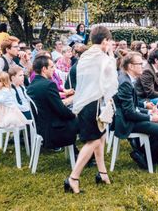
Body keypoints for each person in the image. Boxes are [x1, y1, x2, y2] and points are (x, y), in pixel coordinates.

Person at [66, 25, 118, 194]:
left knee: (100, 138)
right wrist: (110, 54)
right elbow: (111, 77)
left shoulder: (86, 55)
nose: (110, 44)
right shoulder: (100, 56)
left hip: (85, 102)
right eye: (109, 42)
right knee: (94, 140)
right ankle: (73, 178)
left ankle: (102, 173)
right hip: (93, 103)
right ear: (104, 41)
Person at [115, 52, 158, 169]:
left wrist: (148, 109)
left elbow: (133, 104)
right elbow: (129, 113)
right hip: (127, 122)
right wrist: (151, 118)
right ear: (131, 66)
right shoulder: (125, 82)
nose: (143, 66)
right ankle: (149, 159)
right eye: (140, 64)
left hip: (130, 117)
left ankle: (143, 153)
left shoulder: (128, 78)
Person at [27, 55, 79, 152]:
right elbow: (61, 110)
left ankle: (75, 153)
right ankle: (87, 157)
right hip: (53, 129)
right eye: (51, 67)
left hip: (41, 126)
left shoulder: (31, 85)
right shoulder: (49, 85)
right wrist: (74, 115)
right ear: (44, 69)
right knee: (86, 122)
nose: (54, 70)